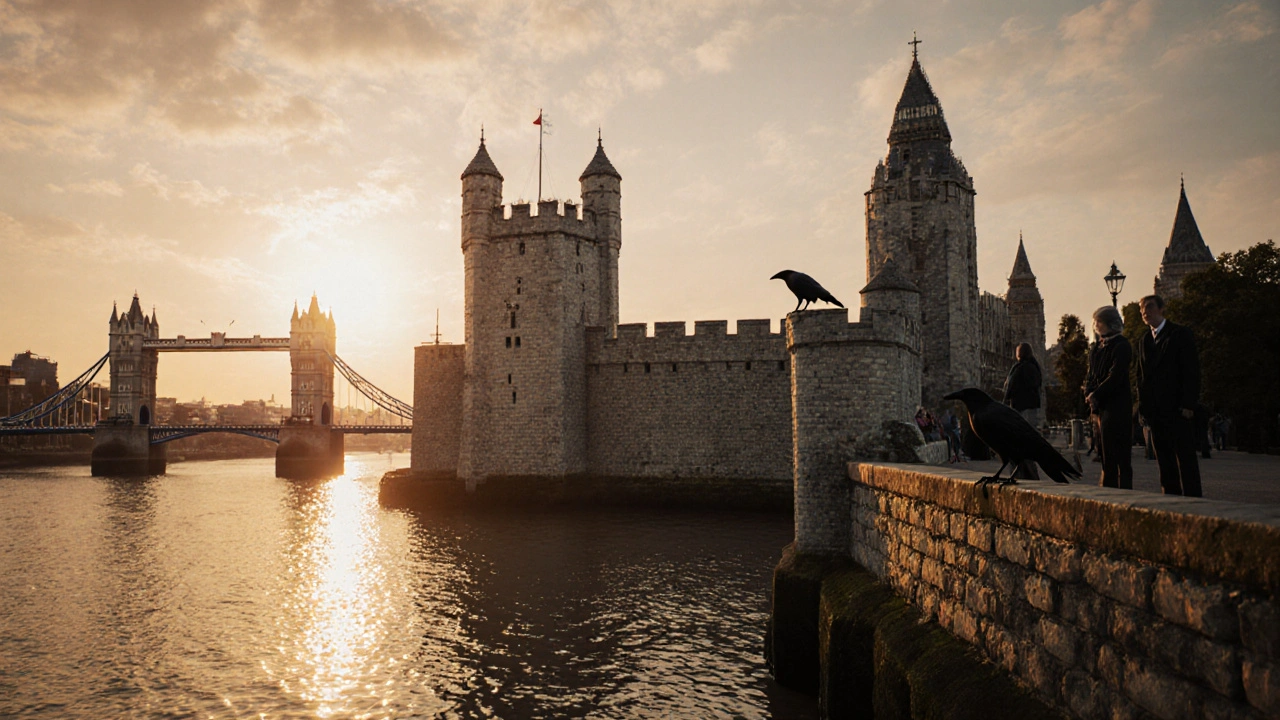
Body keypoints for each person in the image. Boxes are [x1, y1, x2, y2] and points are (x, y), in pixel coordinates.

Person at [1136, 294, 1202, 496]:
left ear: (1161, 309)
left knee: (1185, 457)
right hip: (1156, 410)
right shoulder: (1145, 340)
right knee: (1163, 458)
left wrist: (1189, 404)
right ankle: (1170, 496)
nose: (1145, 312)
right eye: (1142, 309)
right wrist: (1143, 408)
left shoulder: (1180, 334)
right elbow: (1141, 377)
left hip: (1178, 408)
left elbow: (1191, 371)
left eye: (1149, 307)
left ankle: (1193, 498)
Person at [1084, 306, 1133, 488]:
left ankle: (1124, 489)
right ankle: (1108, 486)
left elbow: (1116, 375)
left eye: (1099, 322)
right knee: (1104, 451)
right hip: (1100, 405)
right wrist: (1089, 391)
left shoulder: (1121, 345)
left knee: (1119, 452)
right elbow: (1091, 374)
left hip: (1117, 404)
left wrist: (1097, 393)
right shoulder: (1097, 347)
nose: (1096, 326)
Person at [1002, 342, 1043, 478]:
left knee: (1017, 442)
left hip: (1020, 409)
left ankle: (1022, 473)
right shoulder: (1034, 367)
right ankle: (1030, 472)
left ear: (1020, 354)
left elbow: (1010, 389)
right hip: (1031, 408)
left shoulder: (1020, 368)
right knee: (1028, 441)